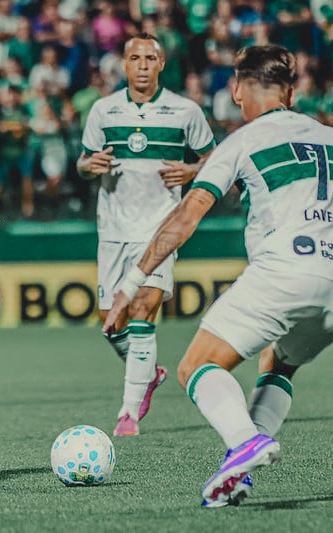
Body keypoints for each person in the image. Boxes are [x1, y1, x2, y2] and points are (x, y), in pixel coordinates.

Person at [102, 44, 333, 508]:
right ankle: (239, 469)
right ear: (291, 91)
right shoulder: (328, 135)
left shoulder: (242, 140)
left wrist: (130, 285)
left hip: (286, 270)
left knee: (197, 365)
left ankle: (246, 441)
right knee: (279, 362)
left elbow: (186, 217)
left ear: (238, 89)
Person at [76, 33, 216, 437]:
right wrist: (91, 165)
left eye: (148, 58)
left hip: (160, 229)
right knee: (110, 323)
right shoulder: (103, 110)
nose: (141, 64)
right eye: (134, 57)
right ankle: (149, 374)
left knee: (142, 312)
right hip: (114, 229)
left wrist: (192, 171)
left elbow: (213, 159)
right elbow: (83, 162)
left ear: (160, 64)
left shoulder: (185, 111)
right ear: (124, 64)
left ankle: (128, 414)